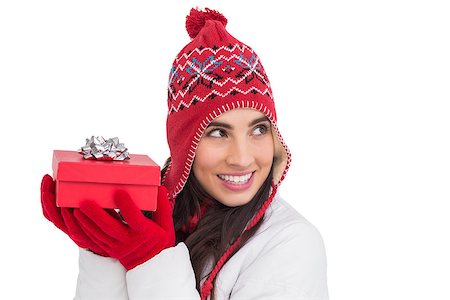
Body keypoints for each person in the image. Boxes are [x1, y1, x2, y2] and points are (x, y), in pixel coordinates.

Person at [41, 8, 329, 300]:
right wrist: (105, 256)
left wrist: (151, 259)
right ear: (185, 143)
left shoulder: (292, 244)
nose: (242, 158)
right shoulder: (154, 217)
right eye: (218, 132)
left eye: (258, 130)